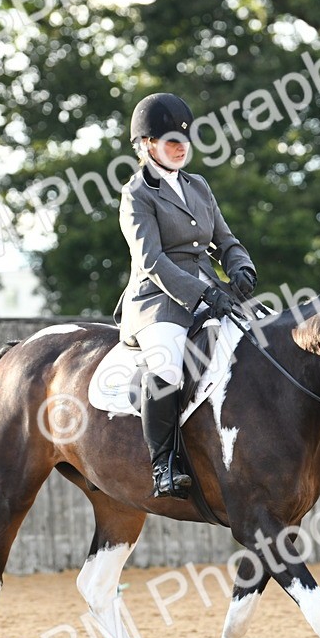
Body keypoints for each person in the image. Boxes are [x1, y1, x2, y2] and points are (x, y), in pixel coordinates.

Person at [114, 93, 258, 499]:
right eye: (169, 141)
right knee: (167, 366)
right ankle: (163, 463)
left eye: (183, 140)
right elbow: (151, 260)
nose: (180, 148)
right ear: (146, 145)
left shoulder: (198, 185)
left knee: (263, 338)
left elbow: (224, 239)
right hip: (157, 301)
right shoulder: (137, 193)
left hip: (211, 293)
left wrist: (240, 266)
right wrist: (201, 294)